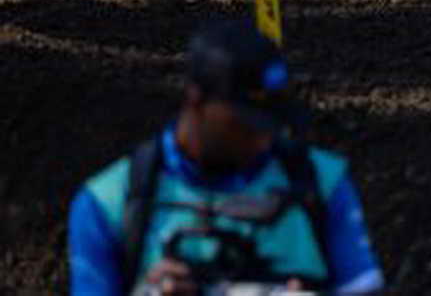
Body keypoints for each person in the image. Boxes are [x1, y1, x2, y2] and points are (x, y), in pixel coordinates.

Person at [67, 19, 384, 296]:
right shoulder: (109, 203)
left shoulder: (322, 182)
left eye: (271, 122)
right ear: (196, 100)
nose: (261, 139)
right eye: (245, 123)